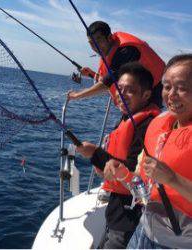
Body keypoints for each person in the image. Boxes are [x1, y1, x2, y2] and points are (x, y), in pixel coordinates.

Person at [77, 62, 161, 248]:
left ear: (146, 95)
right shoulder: (126, 119)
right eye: (119, 88)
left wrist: (95, 153)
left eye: (129, 90)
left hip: (130, 211)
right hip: (117, 206)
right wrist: (97, 158)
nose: (120, 94)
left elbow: (132, 168)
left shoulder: (148, 125)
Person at [125, 54, 192, 249]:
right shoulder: (162, 127)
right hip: (145, 231)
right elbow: (142, 176)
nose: (171, 94)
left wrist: (172, 179)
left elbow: (168, 180)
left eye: (182, 88)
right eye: (167, 86)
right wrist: (119, 172)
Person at [68, 21, 165, 108]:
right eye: (91, 43)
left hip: (150, 97)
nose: (95, 47)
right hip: (134, 99)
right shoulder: (109, 52)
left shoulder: (125, 52)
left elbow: (107, 82)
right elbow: (110, 77)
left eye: (98, 41)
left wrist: (76, 95)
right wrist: (91, 74)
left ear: (109, 38)